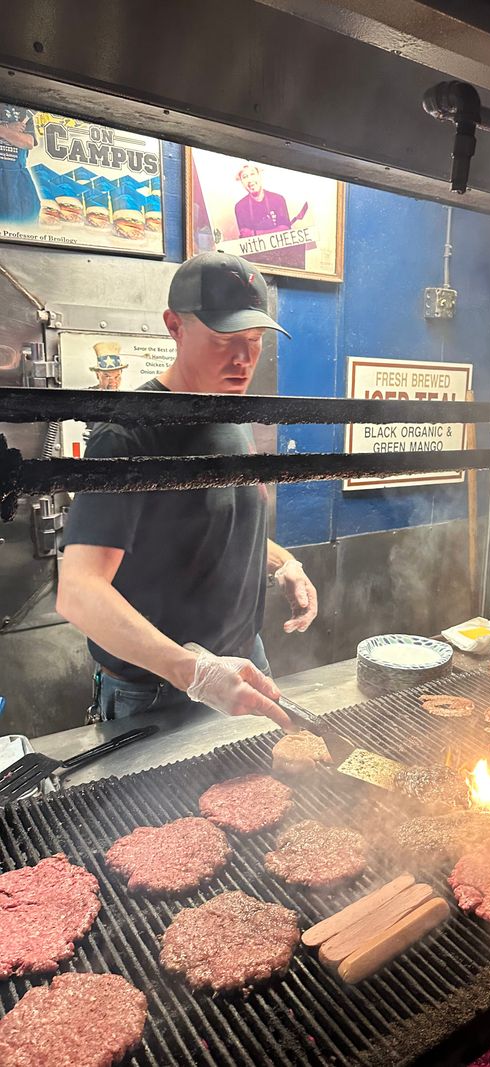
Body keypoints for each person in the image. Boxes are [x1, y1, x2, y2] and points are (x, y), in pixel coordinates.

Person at [57, 252, 318, 728]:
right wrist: (193, 672)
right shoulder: (128, 434)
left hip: (245, 665)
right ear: (174, 326)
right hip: (160, 689)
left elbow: (216, 527)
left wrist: (285, 563)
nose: (243, 359)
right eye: (225, 340)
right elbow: (77, 590)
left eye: (254, 341)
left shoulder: (228, 412)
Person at [234, 162, 308, 270]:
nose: (249, 180)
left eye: (252, 174)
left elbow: (285, 229)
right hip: (255, 263)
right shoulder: (240, 206)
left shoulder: (278, 199)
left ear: (259, 175)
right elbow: (244, 235)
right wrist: (274, 231)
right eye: (245, 177)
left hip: (281, 260)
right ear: (241, 182)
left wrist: (254, 233)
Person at [0, 103, 39, 223]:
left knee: (27, 220)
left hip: (18, 179)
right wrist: (7, 128)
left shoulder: (24, 110)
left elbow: (28, 142)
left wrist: (2, 131)